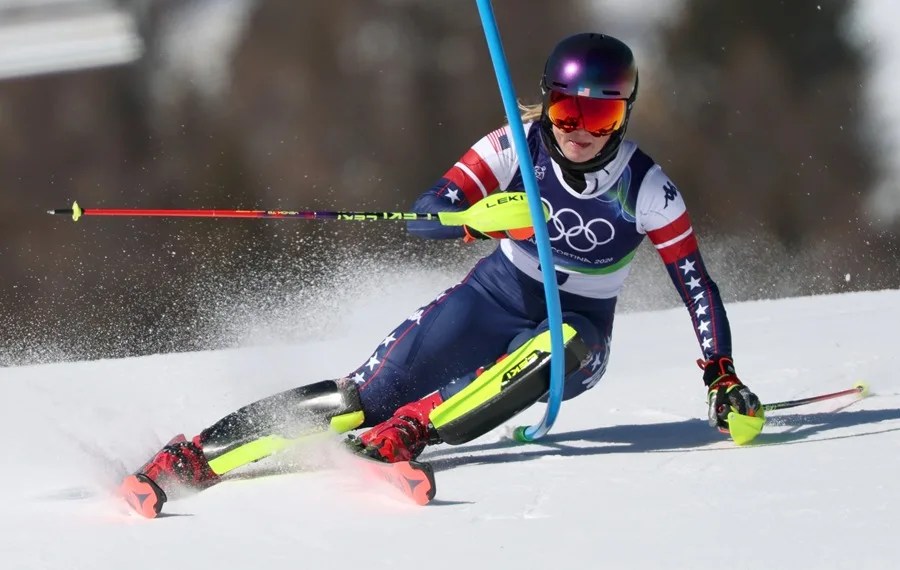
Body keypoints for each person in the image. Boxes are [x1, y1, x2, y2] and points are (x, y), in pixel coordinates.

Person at [120, 32, 762, 517]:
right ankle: (193, 456)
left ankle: (406, 434)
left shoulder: (648, 187)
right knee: (359, 397)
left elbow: (696, 285)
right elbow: (430, 214)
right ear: (546, 104)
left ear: (625, 115)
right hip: (496, 292)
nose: (580, 132)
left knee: (559, 348)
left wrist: (721, 375)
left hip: (580, 325)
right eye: (568, 113)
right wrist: (487, 216)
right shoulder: (516, 141)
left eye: (602, 117)